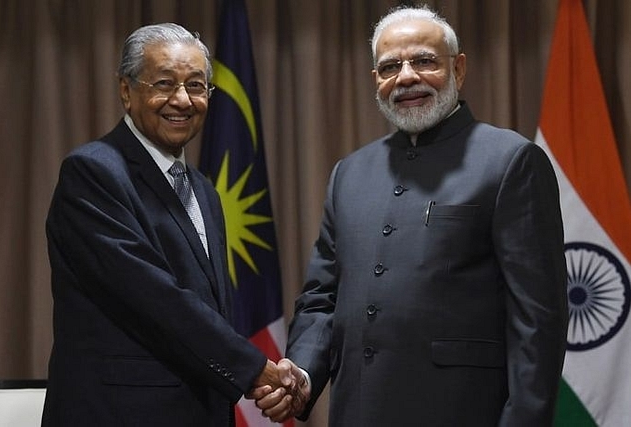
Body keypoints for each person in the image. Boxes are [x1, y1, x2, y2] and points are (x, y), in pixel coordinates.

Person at [253, 5, 568, 426]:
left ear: (458, 69)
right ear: (376, 81)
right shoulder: (350, 173)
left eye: (423, 61)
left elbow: (538, 321)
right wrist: (305, 374)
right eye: (390, 67)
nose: (406, 77)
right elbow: (321, 298)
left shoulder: (511, 161)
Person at [43, 23, 300, 427]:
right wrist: (256, 370)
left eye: (196, 86)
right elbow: (152, 297)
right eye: (164, 83)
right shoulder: (92, 172)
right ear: (127, 91)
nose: (182, 100)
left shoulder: (204, 191)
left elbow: (210, 306)